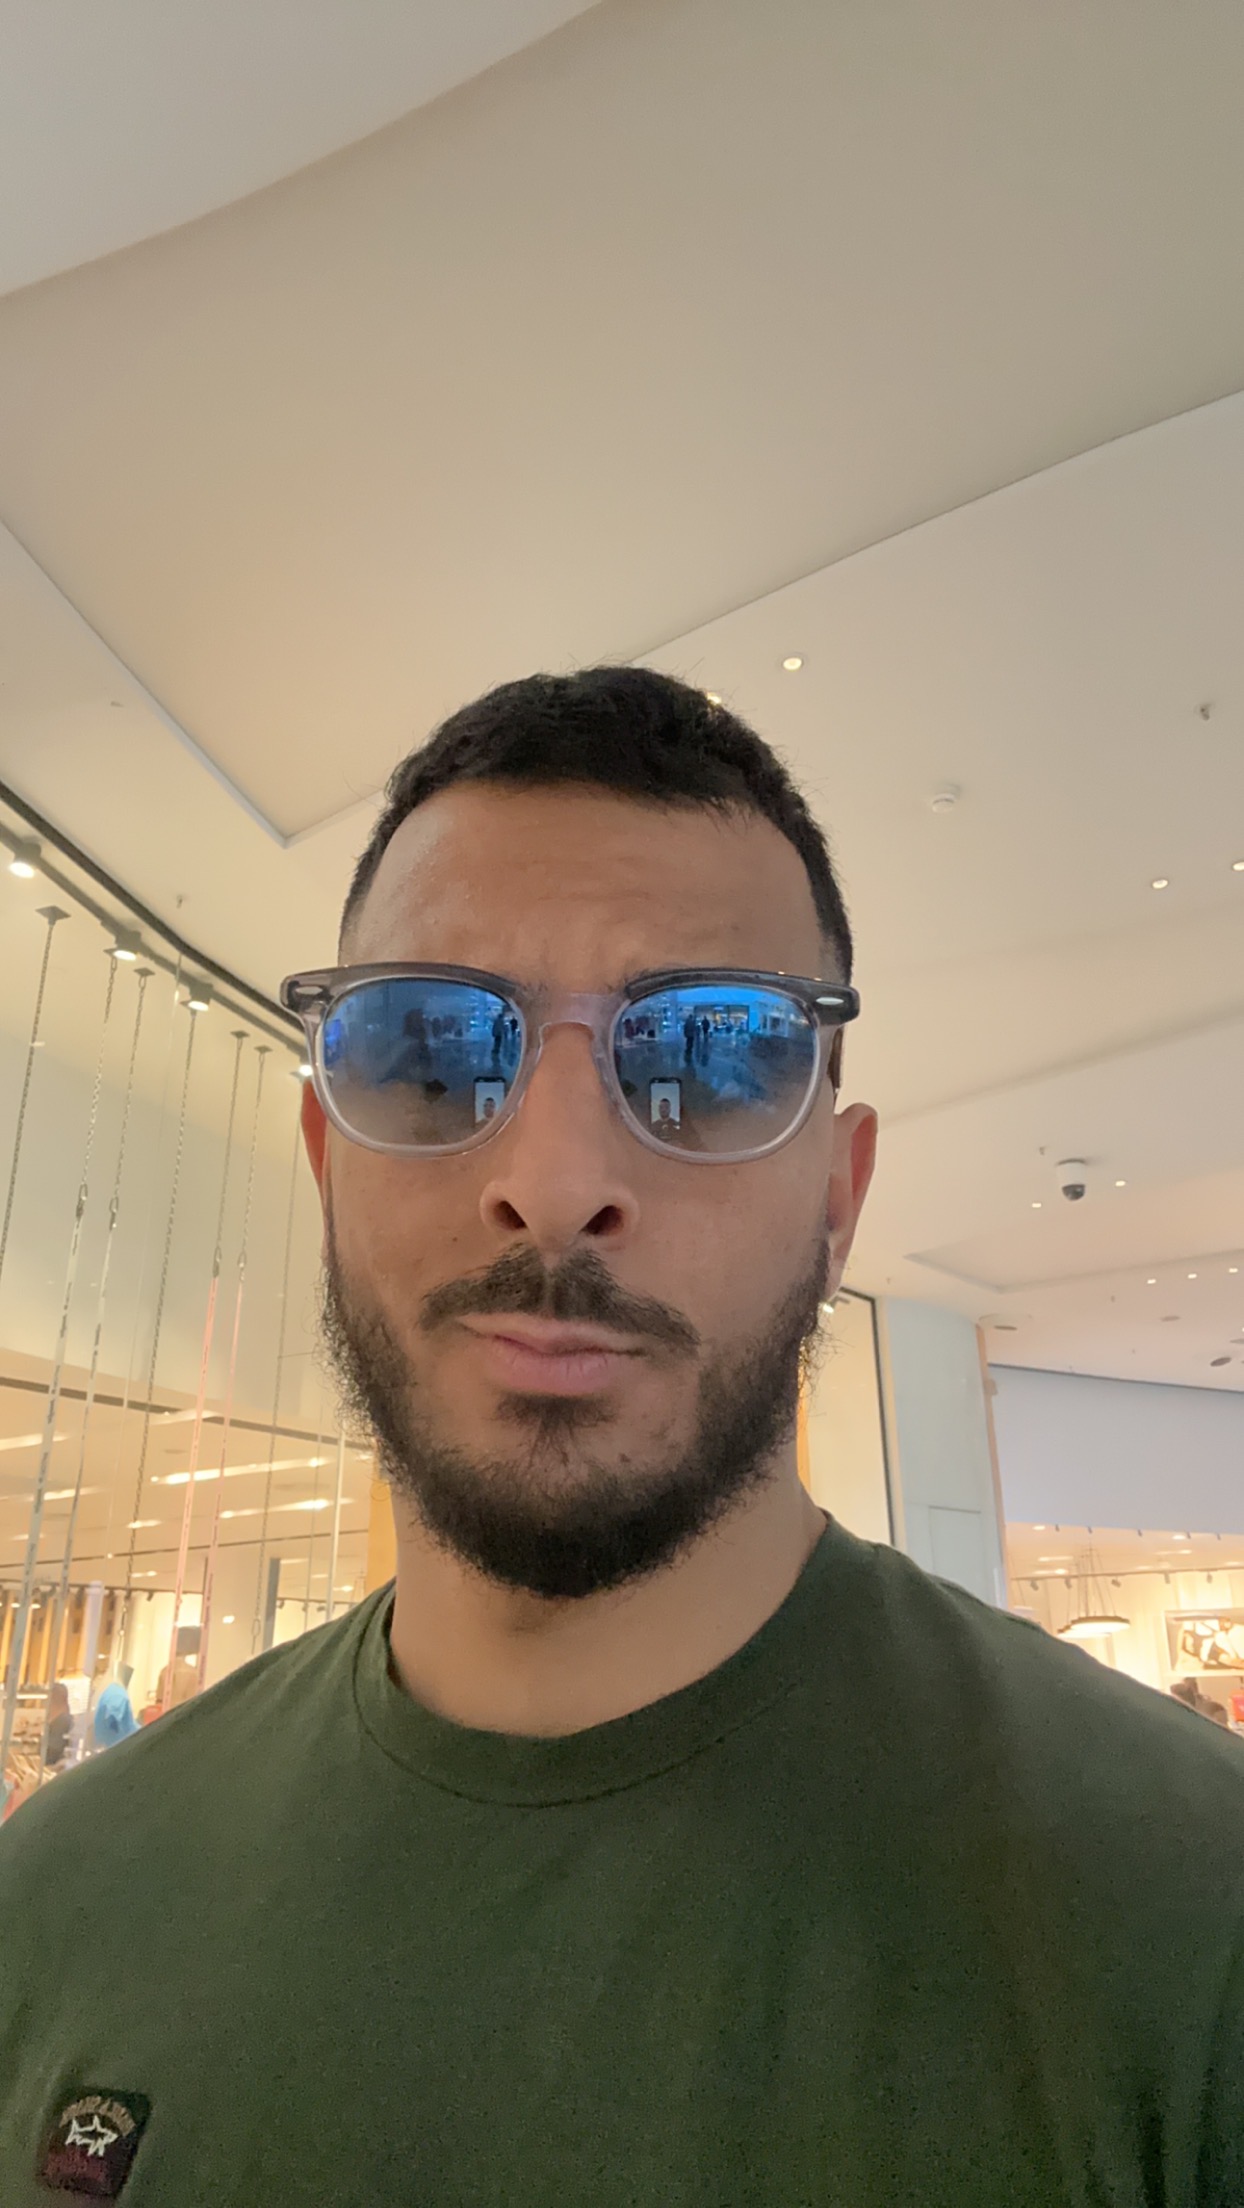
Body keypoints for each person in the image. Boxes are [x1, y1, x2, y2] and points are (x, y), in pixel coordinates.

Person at [1, 667, 1243, 2206]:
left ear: (839, 1199)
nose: (554, 1181)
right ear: (327, 1161)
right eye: (431, 1051)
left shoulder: (1190, 1915)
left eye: (709, 1058)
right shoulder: (59, 1896)